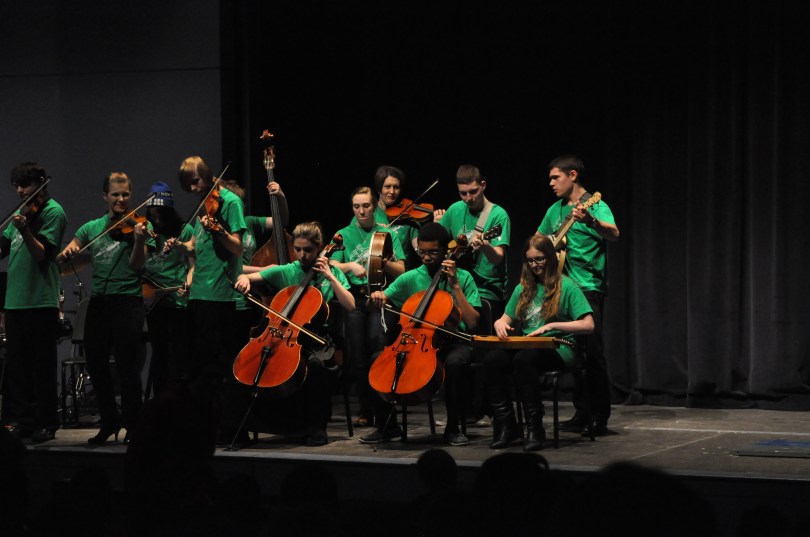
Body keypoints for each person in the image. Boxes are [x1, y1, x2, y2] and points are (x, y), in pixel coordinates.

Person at [234, 221, 355, 445]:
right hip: (285, 338)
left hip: (318, 341)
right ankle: (262, 424)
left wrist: (330, 276)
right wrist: (243, 279)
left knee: (315, 367)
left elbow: (350, 305)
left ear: (319, 248)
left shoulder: (332, 273)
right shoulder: (289, 270)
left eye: (307, 250)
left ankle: (316, 427)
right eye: (297, 249)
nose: (301, 255)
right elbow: (251, 276)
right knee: (253, 362)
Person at [58, 172, 155, 444]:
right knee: (96, 365)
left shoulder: (140, 225)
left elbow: (137, 265)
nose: (121, 199)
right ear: (105, 197)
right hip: (100, 302)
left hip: (128, 302)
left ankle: (133, 425)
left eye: (125, 194)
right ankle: (109, 422)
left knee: (127, 366)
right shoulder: (92, 228)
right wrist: (68, 252)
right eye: (115, 194)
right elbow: (71, 251)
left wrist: (138, 239)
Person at [366, 222, 480, 446]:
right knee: (378, 360)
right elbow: (376, 303)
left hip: (453, 341)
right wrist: (376, 297)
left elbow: (473, 322)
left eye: (433, 252)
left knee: (455, 363)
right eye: (422, 252)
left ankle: (453, 428)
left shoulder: (463, 277)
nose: (426, 258)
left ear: (446, 251)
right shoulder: (411, 277)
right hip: (416, 342)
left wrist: (455, 286)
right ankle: (387, 427)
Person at [482, 233, 594, 451]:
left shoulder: (567, 286)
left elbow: (588, 325)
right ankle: (507, 425)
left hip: (560, 348)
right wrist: (499, 323)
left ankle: (535, 429)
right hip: (530, 348)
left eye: (539, 259)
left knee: (524, 359)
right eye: (530, 260)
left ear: (550, 258)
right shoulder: (523, 289)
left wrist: (552, 326)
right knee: (493, 360)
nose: (535, 265)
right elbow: (504, 319)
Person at [537, 154, 619, 437]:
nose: (551, 183)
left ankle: (599, 416)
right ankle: (582, 410)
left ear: (572, 175)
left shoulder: (594, 204)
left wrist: (591, 221)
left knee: (593, 354)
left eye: (555, 177)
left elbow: (614, 233)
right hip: (562, 288)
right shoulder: (555, 210)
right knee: (575, 354)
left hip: (588, 287)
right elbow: (539, 241)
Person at [164, 156, 246, 435]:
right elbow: (195, 246)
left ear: (208, 175)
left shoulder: (230, 203)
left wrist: (219, 230)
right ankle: (207, 423)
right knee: (201, 366)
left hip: (220, 294)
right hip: (199, 293)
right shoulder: (205, 204)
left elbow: (237, 248)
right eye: (188, 185)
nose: (193, 189)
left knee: (221, 365)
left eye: (196, 182)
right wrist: (179, 246)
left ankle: (230, 426)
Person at [0, 163, 66, 442]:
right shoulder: (21, 212)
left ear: (40, 182)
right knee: (18, 367)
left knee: (42, 366)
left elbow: (43, 255)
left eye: (25, 185)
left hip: (39, 300)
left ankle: (46, 423)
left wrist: (26, 230)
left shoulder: (53, 211)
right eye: (16, 186)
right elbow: (3, 248)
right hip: (15, 300)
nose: (20, 191)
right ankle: (22, 421)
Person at [329, 186, 405, 428]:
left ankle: (384, 409)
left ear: (374, 206)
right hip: (355, 298)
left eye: (366, 206)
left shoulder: (386, 233)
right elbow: (330, 264)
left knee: (378, 350)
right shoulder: (343, 234)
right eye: (356, 206)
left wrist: (381, 261)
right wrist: (350, 266)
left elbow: (402, 270)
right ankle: (366, 409)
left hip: (380, 297)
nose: (361, 211)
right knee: (357, 356)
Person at [434, 164, 511, 327]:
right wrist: (436, 226)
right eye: (463, 193)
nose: (469, 198)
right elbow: (439, 245)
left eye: (473, 192)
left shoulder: (498, 215)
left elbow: (498, 258)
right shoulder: (455, 209)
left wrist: (485, 245)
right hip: (458, 282)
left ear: (483, 185)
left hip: (486, 290)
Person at [142, 182, 194, 397]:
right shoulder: (146, 229)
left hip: (178, 299)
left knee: (179, 352)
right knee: (160, 351)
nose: (156, 219)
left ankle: (179, 400)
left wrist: (188, 283)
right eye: (152, 214)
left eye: (160, 214)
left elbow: (193, 265)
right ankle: (160, 400)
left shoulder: (185, 230)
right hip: (154, 300)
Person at [369, 165, 421, 269]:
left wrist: (437, 225)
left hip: (403, 275)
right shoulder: (368, 214)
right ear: (379, 189)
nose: (392, 192)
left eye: (396, 187)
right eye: (387, 187)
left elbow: (420, 250)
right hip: (374, 271)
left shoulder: (408, 216)